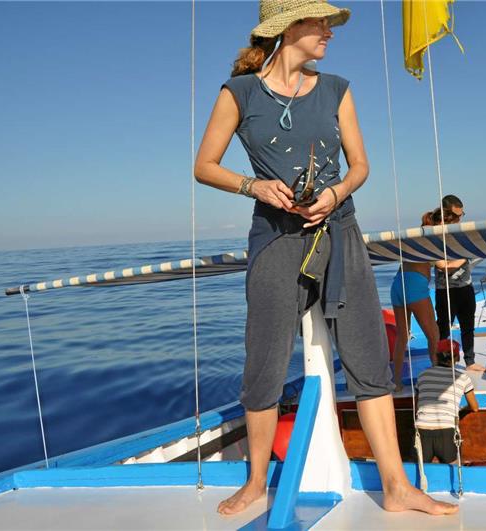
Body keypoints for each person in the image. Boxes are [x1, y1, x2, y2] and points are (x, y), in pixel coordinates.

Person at [193, 0, 457, 518]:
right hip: (274, 239)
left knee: (368, 358)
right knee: (263, 360)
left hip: (341, 233)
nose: (330, 34)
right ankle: (254, 484)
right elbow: (204, 165)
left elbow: (360, 166)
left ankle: (397, 486)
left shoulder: (337, 88)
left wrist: (335, 195)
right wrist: (255, 186)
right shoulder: (239, 93)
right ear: (289, 29)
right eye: (321, 24)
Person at [390, 207, 455, 392]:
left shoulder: (414, 238)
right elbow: (444, 267)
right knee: (433, 335)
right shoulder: (432, 242)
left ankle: (396, 382)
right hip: (415, 286)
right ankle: (436, 375)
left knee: (402, 335)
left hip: (397, 284)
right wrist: (463, 259)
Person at [434, 195, 486, 372]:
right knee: (443, 329)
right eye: (457, 216)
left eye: (461, 215)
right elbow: (443, 267)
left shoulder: (463, 233)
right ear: (446, 214)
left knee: (468, 326)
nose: (460, 219)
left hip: (465, 287)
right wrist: (465, 257)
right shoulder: (434, 234)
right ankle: (441, 365)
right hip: (445, 290)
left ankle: (470, 362)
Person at [415, 339, 479, 463]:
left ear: (436, 356)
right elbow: (475, 407)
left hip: (421, 430)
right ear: (457, 358)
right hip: (446, 431)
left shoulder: (422, 375)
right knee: (454, 472)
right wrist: (460, 410)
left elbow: (418, 405)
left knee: (420, 474)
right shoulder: (463, 378)